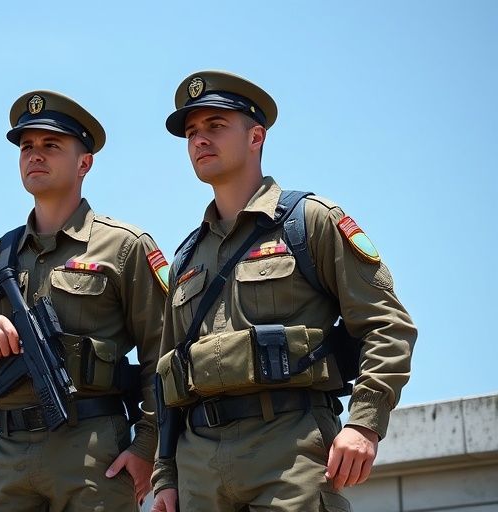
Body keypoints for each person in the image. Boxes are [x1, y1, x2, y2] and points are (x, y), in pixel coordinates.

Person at [151, 71, 417, 511]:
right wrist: (166, 475)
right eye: (192, 132)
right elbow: (169, 375)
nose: (199, 140)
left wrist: (365, 423)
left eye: (216, 125)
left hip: (290, 451)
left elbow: (387, 326)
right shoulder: (185, 259)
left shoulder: (309, 222)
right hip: (198, 466)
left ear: (256, 136)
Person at [0, 91, 169, 511]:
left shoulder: (124, 246)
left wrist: (148, 447)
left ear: (85, 163)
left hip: (93, 451)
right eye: (27, 147)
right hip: (8, 457)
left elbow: (163, 353)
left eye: (51, 145)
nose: (35, 155)